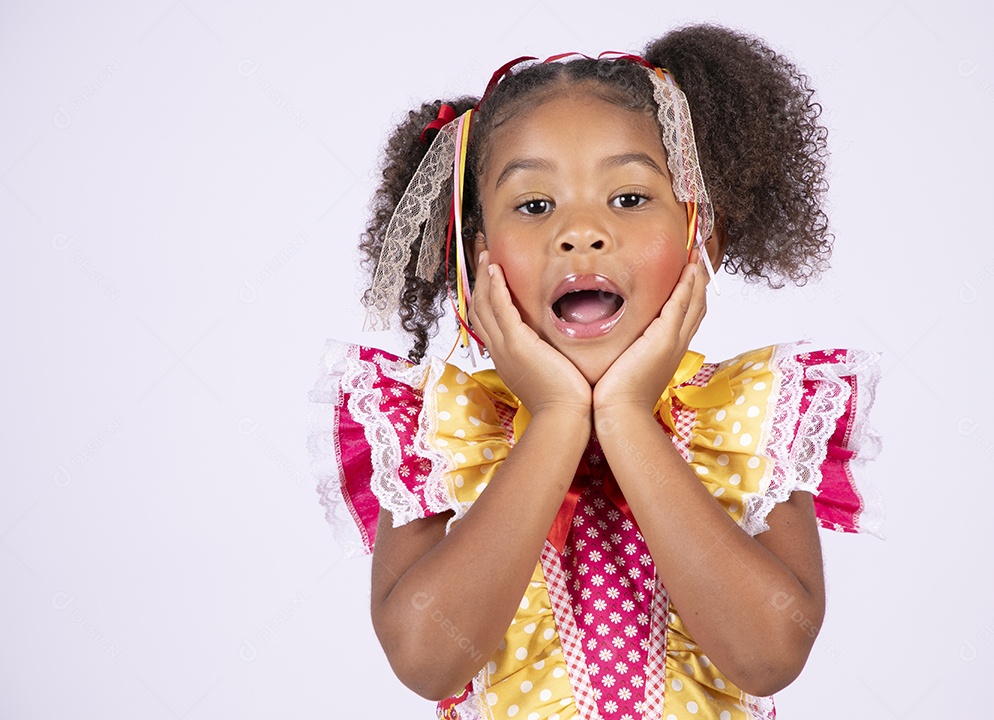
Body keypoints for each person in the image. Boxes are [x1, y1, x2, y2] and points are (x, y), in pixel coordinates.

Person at [308, 23, 884, 720]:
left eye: (630, 198)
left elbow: (767, 656)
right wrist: (554, 419)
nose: (580, 232)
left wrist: (624, 417)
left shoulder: (749, 419)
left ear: (704, 234)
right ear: (475, 256)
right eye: (534, 205)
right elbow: (429, 660)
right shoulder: (442, 431)